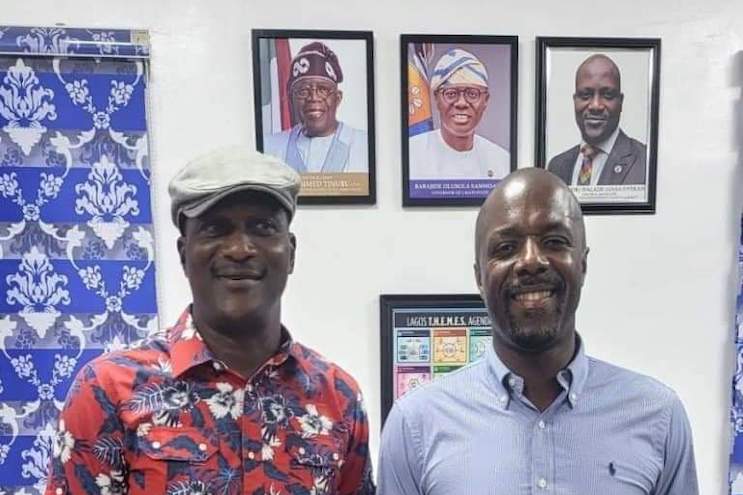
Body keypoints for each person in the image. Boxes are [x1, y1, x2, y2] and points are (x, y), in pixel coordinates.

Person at [46, 148, 375, 495]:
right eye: (215, 229)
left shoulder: (338, 396)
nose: (240, 248)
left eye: (263, 227)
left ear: (290, 252)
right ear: (184, 254)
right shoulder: (109, 389)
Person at [377, 168, 698, 494]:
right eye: (505, 248)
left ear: (582, 265)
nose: (531, 261)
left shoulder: (658, 417)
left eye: (554, 242)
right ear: (479, 278)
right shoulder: (416, 426)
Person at [263, 42, 368, 174]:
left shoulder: (364, 144)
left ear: (338, 98)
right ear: (291, 100)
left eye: (323, 90)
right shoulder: (269, 147)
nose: (313, 97)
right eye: (303, 91)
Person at [408, 48, 510, 180]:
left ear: (485, 101)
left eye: (472, 94)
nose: (461, 103)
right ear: (436, 99)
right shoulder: (412, 153)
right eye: (451, 94)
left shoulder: (502, 161)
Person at [548, 54, 647, 186]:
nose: (595, 105)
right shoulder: (557, 167)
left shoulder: (645, 161)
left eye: (607, 95)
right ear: (575, 100)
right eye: (585, 95)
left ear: (621, 102)